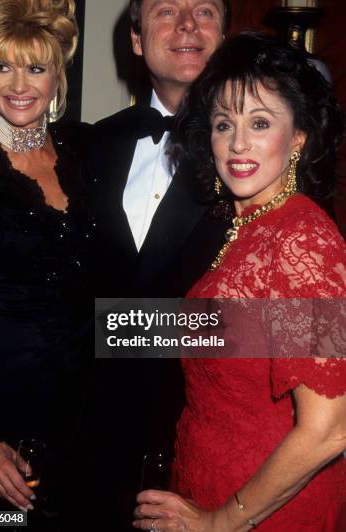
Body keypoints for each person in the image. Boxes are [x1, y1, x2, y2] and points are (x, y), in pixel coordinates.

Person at [133, 33, 346, 531]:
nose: (239, 143)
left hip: (265, 512)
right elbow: (233, 339)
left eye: (260, 122)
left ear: (298, 137)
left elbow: (329, 428)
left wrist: (221, 521)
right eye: (224, 123)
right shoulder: (245, 226)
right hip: (206, 485)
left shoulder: (304, 240)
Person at [90, 0, 231, 532]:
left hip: (204, 449)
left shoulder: (269, 157)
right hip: (90, 449)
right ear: (135, 39)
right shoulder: (87, 147)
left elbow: (313, 326)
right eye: (167, 12)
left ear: (226, 35)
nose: (188, 26)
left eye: (205, 13)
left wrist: (117, 328)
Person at [0, 0, 93, 527]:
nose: (18, 86)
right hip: (0, 428)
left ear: (58, 75)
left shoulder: (85, 157)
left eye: (35, 68)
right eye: (2, 66)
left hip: (83, 415)